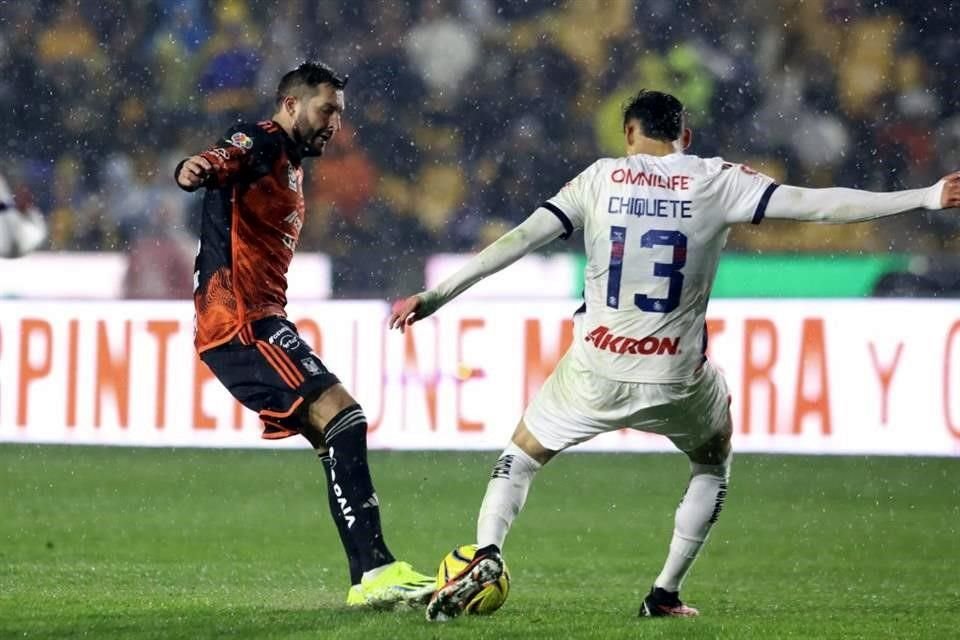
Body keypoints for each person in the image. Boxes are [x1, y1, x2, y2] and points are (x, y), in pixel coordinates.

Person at [388, 89, 960, 621]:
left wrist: (435, 296)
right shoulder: (716, 180)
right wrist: (925, 196)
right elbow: (817, 205)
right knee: (712, 461)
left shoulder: (600, 178)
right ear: (685, 136)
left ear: (629, 132)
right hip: (676, 377)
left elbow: (519, 239)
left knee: (522, 455)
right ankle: (664, 593)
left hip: (595, 368)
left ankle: (486, 549)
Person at [175, 61, 434, 607]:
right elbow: (229, 153)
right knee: (343, 415)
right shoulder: (264, 140)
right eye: (326, 110)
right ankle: (376, 571)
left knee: (334, 434)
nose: (334, 122)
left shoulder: (290, 160)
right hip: (243, 321)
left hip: (259, 319)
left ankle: (370, 579)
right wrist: (198, 164)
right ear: (292, 105)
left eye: (339, 112)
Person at [0, 172, 46, 258]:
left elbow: (34, 241)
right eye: (20, 193)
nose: (22, 197)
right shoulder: (7, 209)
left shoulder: (35, 220)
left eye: (25, 195)